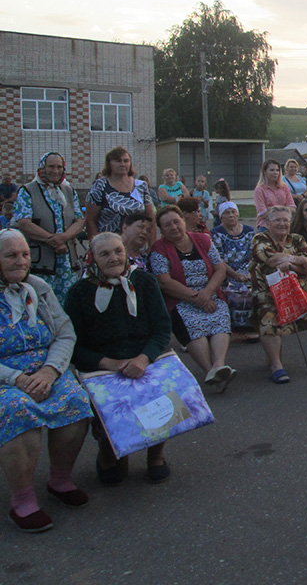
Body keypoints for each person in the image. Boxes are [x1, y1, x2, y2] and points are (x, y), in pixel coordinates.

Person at [0, 230, 92, 533]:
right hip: (6, 378)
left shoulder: (38, 288)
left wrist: (51, 371)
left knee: (75, 400)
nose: (21, 261)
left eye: (25, 254)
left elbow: (65, 333)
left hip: (45, 370)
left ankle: (60, 480)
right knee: (17, 409)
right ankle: (22, 498)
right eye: (11, 255)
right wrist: (17, 378)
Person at [65, 232, 172, 485]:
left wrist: (143, 359)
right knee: (110, 410)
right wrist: (108, 363)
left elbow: (161, 329)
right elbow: (72, 344)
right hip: (102, 365)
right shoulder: (79, 292)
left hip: (143, 357)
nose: (113, 258)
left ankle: (155, 455)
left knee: (160, 395)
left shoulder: (144, 281)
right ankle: (109, 453)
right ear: (92, 258)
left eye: (118, 251)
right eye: (104, 254)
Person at [149, 205, 236, 391]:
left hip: (210, 295)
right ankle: (210, 371)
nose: (173, 227)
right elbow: (164, 282)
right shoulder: (158, 249)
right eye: (167, 225)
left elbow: (220, 268)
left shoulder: (203, 240)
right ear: (161, 229)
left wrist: (207, 292)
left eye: (176, 222)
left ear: (183, 221)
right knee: (192, 324)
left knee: (219, 317)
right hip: (181, 300)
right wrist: (198, 298)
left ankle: (219, 366)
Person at [250, 206, 307, 383]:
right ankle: (276, 366)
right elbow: (270, 259)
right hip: (270, 296)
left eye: (285, 220)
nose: (282, 224)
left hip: (300, 293)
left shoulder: (297, 240)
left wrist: (290, 264)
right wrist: (298, 260)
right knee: (268, 318)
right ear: (268, 223)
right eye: (277, 220)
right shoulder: (260, 239)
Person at [12, 152, 86, 303]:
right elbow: (24, 223)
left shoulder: (69, 191)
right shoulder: (28, 191)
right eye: (51, 166)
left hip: (67, 260)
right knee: (41, 303)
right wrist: (52, 240)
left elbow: (79, 220)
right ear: (42, 168)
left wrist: (63, 238)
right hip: (40, 262)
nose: (55, 171)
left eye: (59, 167)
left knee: (67, 303)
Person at [85, 147, 156, 237]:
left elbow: (150, 217)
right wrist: (96, 242)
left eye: (126, 161)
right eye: (118, 161)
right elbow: (90, 220)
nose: (122, 164)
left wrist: (151, 243)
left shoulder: (141, 186)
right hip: (108, 241)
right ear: (109, 163)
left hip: (136, 241)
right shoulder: (100, 186)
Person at [210, 202, 256, 332]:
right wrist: (235, 275)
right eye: (226, 213)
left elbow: (254, 255)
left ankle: (252, 323)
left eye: (233, 212)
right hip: (226, 271)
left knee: (255, 285)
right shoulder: (216, 233)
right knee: (234, 287)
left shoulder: (249, 231)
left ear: (238, 214)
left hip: (248, 269)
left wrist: (250, 272)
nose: (231, 215)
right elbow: (218, 259)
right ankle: (235, 325)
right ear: (221, 216)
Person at [253, 159, 295, 231]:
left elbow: (292, 207)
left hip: (283, 226)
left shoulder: (284, 187)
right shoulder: (259, 190)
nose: (275, 172)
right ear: (265, 172)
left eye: (277, 170)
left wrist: (271, 209)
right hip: (266, 227)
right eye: (272, 170)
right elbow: (262, 213)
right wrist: (283, 209)